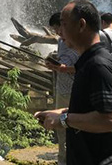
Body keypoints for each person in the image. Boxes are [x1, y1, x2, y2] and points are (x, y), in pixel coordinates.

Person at [35, 0, 112, 165]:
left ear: (81, 25)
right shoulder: (88, 62)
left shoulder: (98, 65)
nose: (60, 31)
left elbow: (109, 120)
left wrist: (63, 119)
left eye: (63, 24)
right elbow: (92, 109)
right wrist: (61, 113)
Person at [43, 12, 79, 165]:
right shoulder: (60, 42)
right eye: (54, 29)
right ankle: (63, 159)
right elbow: (63, 60)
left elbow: (83, 67)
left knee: (75, 126)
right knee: (60, 127)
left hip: (75, 90)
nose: (57, 32)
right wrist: (54, 64)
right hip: (61, 90)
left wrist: (64, 68)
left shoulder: (78, 41)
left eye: (58, 28)